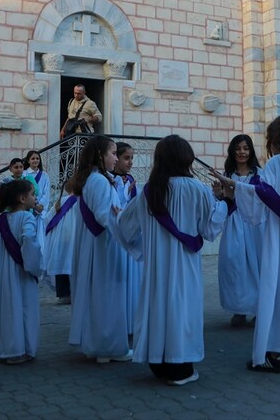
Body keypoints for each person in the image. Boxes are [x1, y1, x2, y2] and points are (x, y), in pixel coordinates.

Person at [113, 135, 228, 386]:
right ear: (186, 158)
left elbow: (124, 226)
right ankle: (181, 368)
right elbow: (209, 230)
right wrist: (223, 202)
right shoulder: (197, 188)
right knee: (182, 310)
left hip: (157, 266)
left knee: (158, 307)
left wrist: (145, 249)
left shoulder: (149, 191)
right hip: (185, 264)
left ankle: (158, 362)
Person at [214, 116, 280, 374]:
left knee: (279, 293)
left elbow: (263, 196)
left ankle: (275, 353)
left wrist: (232, 186)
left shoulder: (276, 163)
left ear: (275, 139)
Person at [66, 134, 133, 363]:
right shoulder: (100, 181)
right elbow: (106, 215)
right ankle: (109, 347)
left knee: (98, 294)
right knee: (107, 293)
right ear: (99, 155)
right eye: (113, 153)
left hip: (95, 244)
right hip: (104, 246)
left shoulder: (92, 179)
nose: (116, 158)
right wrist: (128, 218)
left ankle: (99, 345)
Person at [0, 178, 43, 365]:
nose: (35, 198)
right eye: (33, 194)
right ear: (22, 198)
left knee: (5, 307)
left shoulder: (1, 220)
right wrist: (35, 265)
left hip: (2, 273)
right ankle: (20, 349)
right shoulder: (27, 217)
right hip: (21, 272)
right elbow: (30, 241)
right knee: (23, 307)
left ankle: (5, 347)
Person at [218, 134, 264, 327]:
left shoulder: (259, 175)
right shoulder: (227, 175)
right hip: (235, 224)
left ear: (251, 150)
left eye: (245, 148)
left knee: (256, 267)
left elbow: (261, 198)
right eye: (238, 148)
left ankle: (257, 309)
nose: (242, 152)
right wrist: (220, 195)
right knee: (234, 265)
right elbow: (224, 199)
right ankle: (239, 309)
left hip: (255, 226)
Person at [111, 142, 141, 336]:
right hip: (116, 235)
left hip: (129, 233)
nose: (130, 162)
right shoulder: (110, 181)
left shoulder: (129, 179)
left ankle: (132, 322)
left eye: (132, 158)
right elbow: (115, 207)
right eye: (126, 158)